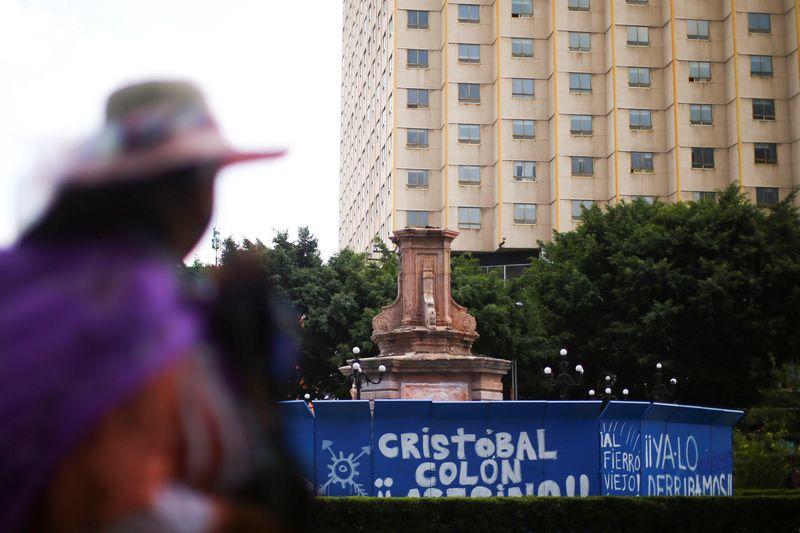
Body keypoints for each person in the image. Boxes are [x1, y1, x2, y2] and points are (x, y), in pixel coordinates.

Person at [0, 81, 307, 532]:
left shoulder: (27, 282)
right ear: (192, 190)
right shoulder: (131, 300)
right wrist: (234, 522)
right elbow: (108, 500)